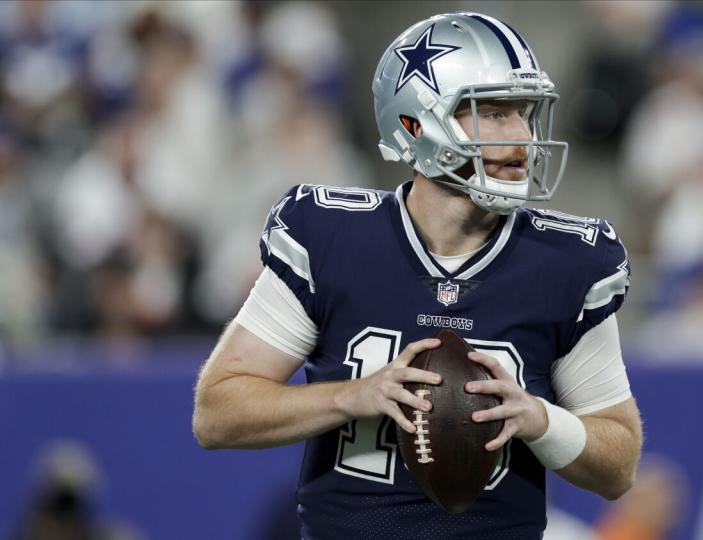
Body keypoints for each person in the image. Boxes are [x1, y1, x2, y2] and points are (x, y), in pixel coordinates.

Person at [192, 12, 643, 538]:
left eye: (525, 113)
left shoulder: (562, 263)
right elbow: (216, 412)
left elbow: (619, 465)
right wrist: (349, 396)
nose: (522, 138)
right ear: (415, 123)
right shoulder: (334, 240)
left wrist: (543, 421)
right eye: (493, 113)